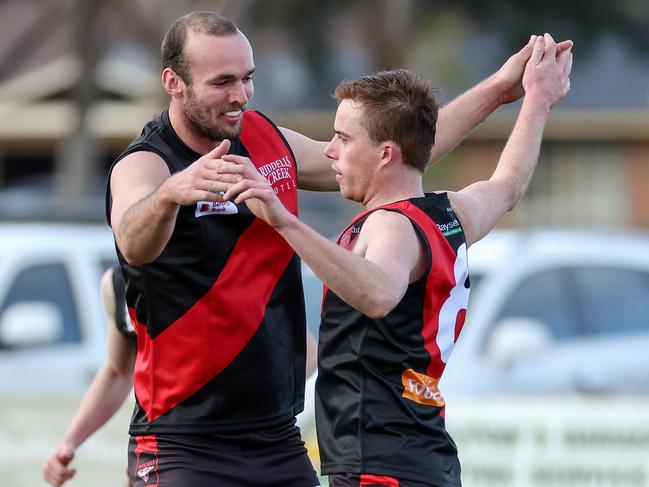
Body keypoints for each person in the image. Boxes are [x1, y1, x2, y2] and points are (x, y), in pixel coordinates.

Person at [106, 9, 570, 485]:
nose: (241, 95)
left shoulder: (270, 144)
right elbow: (133, 245)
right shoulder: (147, 164)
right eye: (222, 82)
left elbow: (393, 151)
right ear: (174, 82)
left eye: (248, 78)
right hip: (186, 440)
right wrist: (169, 194)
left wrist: (498, 90)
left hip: (278, 438)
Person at [43, 267, 136, 487]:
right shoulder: (119, 283)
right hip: (154, 453)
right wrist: (68, 443)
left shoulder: (213, 267)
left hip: (212, 449)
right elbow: (118, 371)